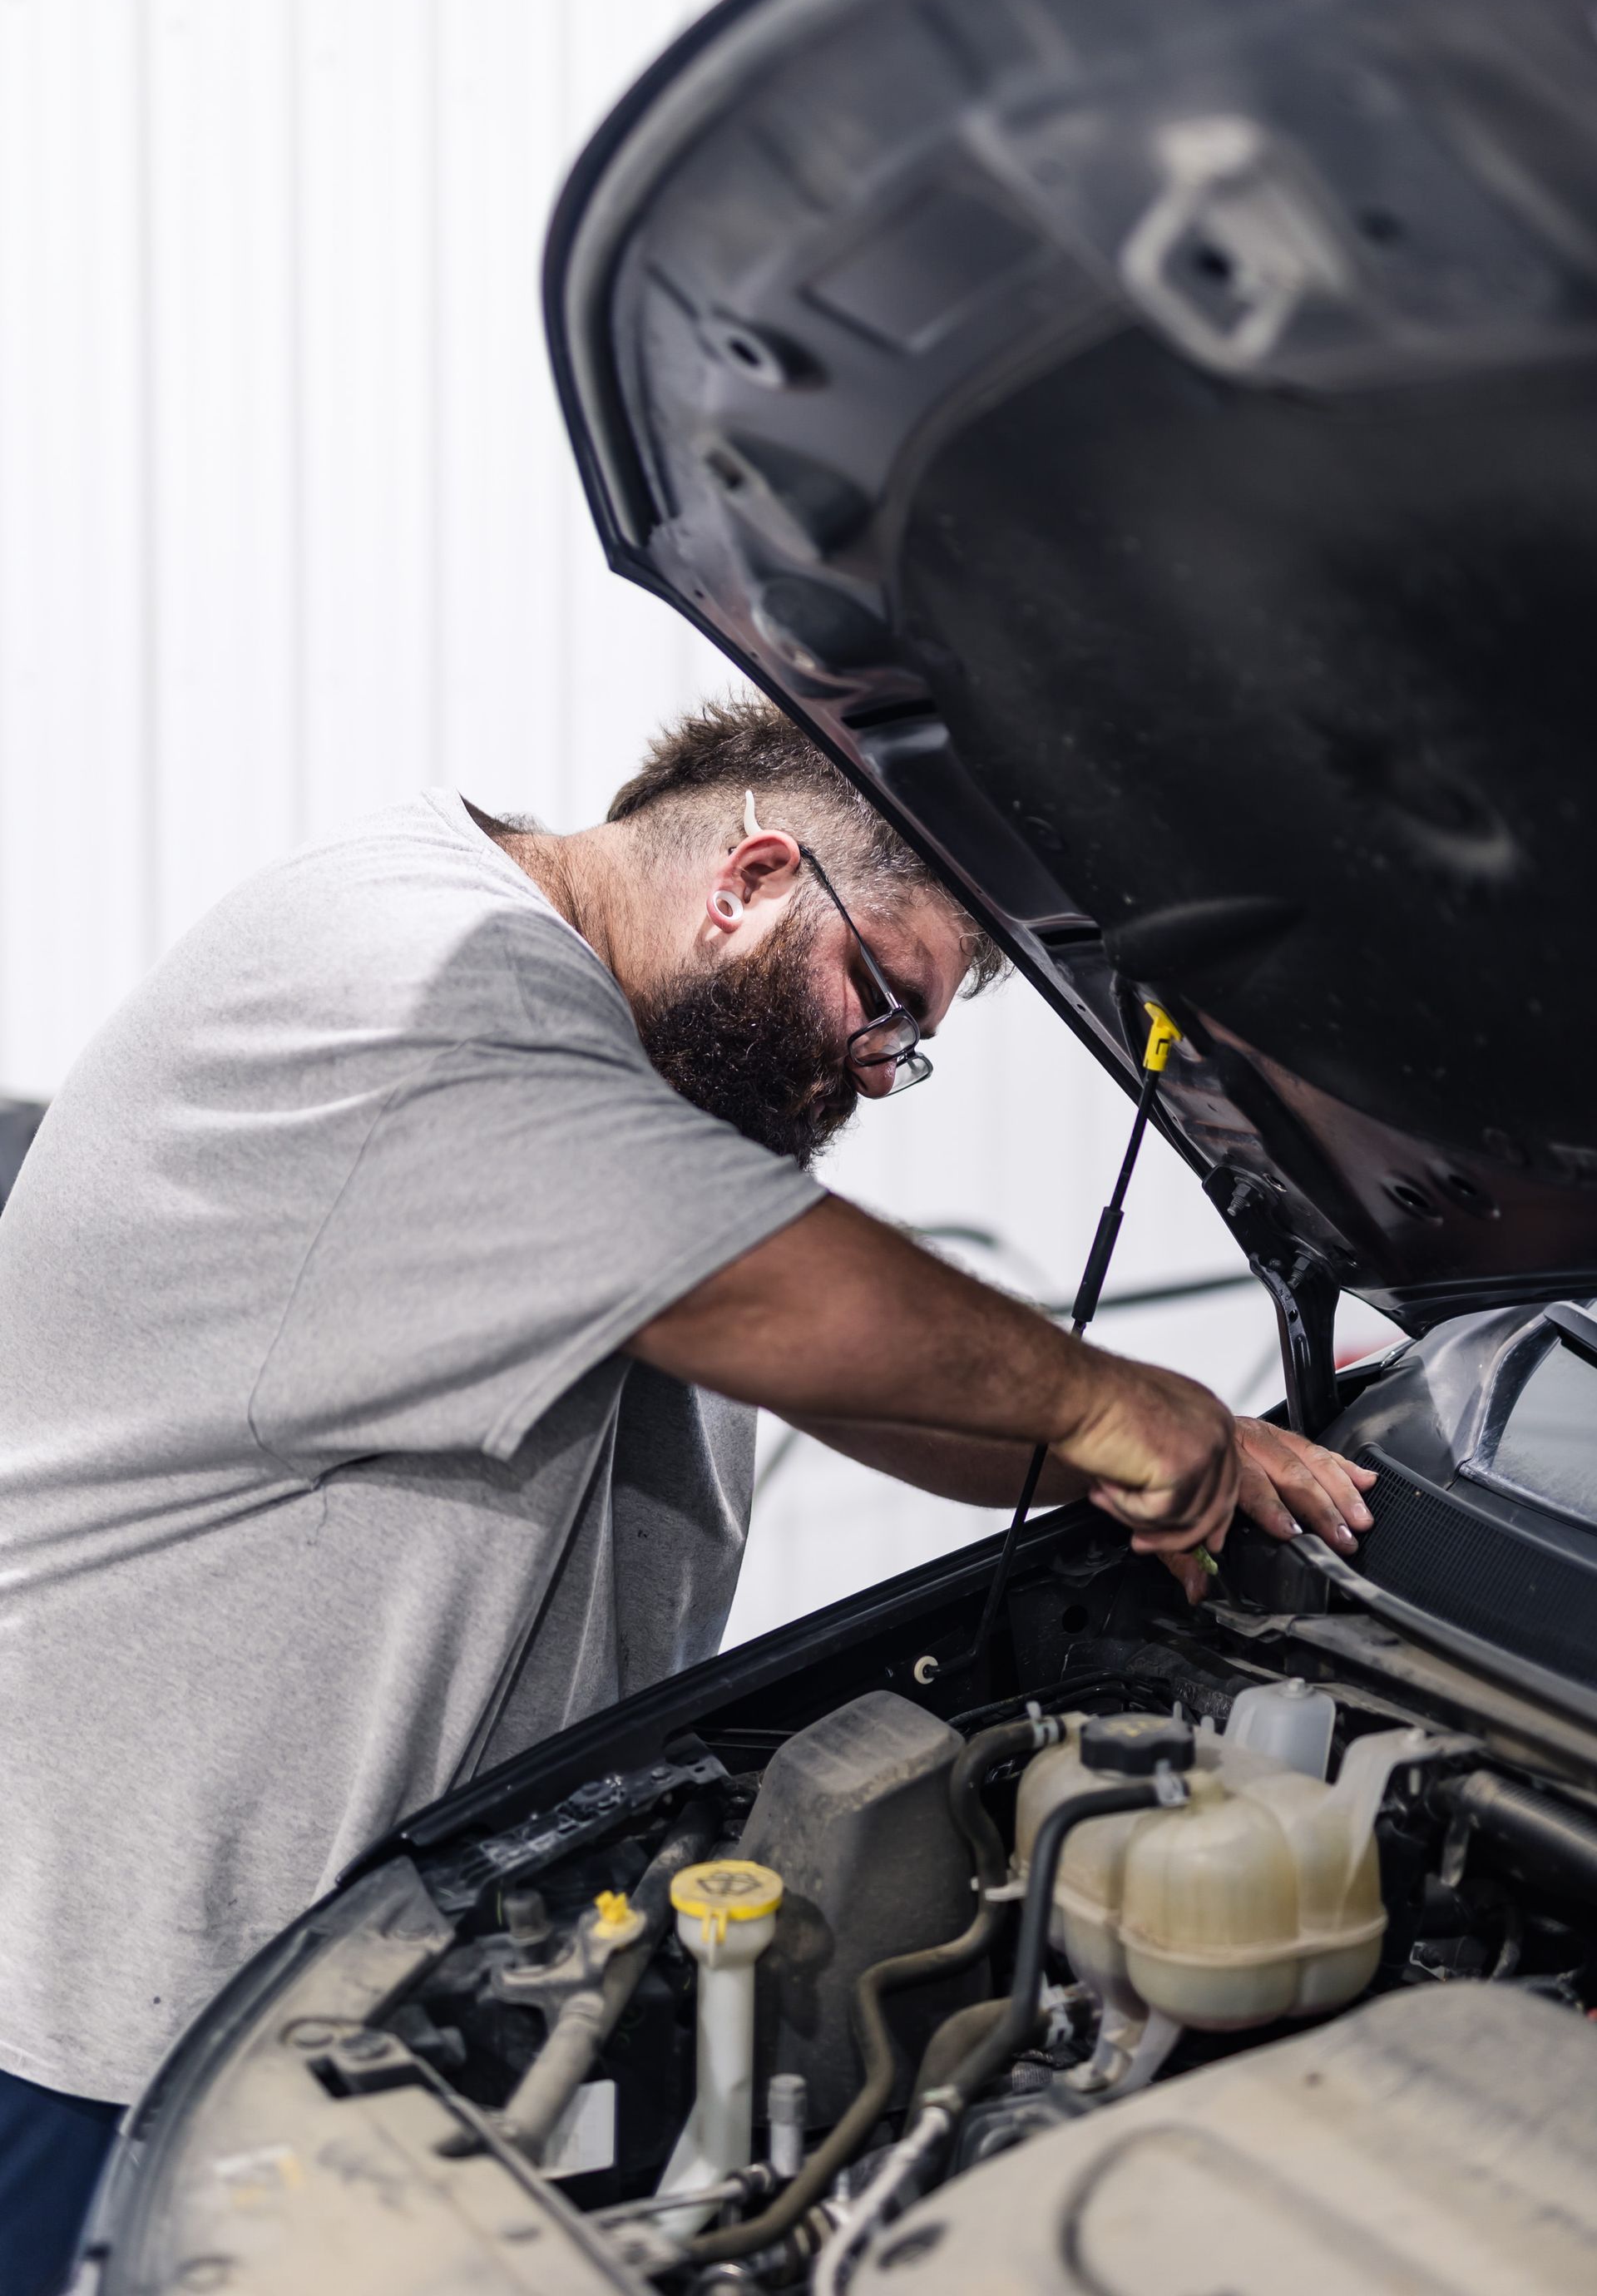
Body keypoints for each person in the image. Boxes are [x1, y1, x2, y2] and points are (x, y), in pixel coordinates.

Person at [0, 694, 1373, 2292]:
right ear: (757, 876)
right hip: (114, 2027)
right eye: (882, 1000)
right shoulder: (417, 971)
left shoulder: (611, 1088)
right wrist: (1118, 1402)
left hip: (377, 2000)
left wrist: (1165, 1462)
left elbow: (848, 1373)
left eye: (905, 1045)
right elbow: (774, 1299)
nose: (874, 1071)